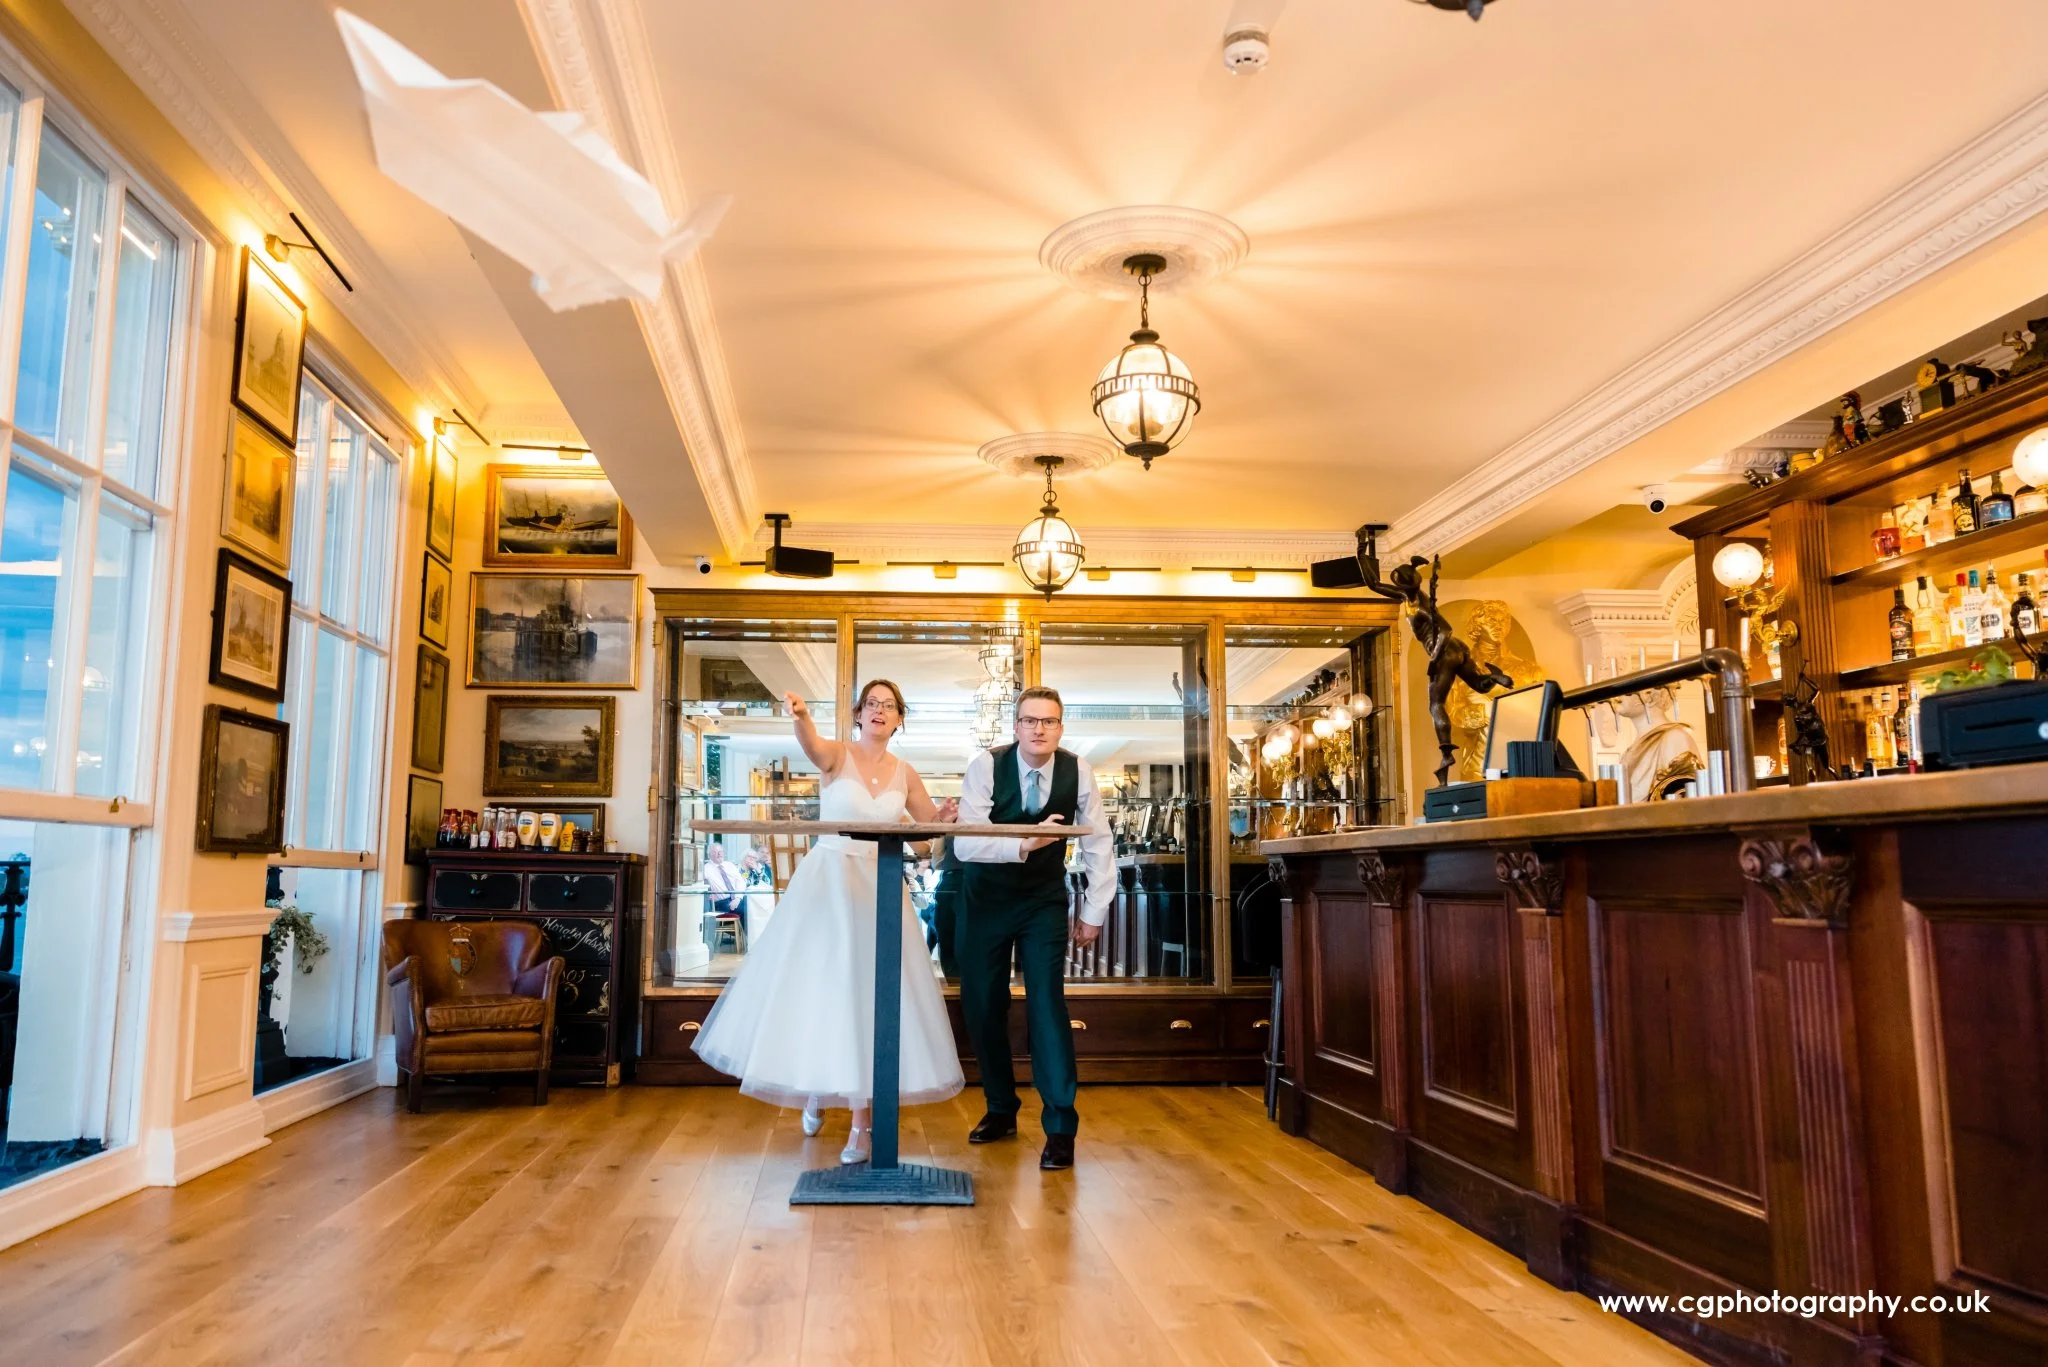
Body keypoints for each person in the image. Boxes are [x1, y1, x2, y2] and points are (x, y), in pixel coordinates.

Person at [691, 680, 963, 1164]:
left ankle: (862, 1126)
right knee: (826, 990)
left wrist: (941, 819)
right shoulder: (837, 756)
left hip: (879, 889)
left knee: (871, 997)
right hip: (830, 884)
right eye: (872, 704)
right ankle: (817, 1087)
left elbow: (924, 843)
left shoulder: (907, 773)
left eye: (890, 706)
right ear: (859, 714)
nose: (880, 711)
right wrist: (799, 715)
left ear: (900, 719)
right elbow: (811, 746)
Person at [953, 685, 1115, 1171]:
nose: (1039, 729)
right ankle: (1001, 1109)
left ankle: (1061, 1126)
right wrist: (1028, 842)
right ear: (1016, 725)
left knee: (1047, 1004)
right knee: (983, 1005)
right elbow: (966, 844)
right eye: (1030, 720)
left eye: (1049, 721)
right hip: (984, 901)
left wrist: (1094, 910)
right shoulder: (985, 766)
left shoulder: (1077, 769)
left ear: (1060, 727)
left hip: (1043, 902)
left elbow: (1099, 841)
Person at [701, 842, 748, 942]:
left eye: (721, 851)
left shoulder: (729, 865)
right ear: (710, 854)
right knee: (746, 909)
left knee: (751, 905)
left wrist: (738, 898)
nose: (720, 854)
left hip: (736, 898)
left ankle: (750, 939)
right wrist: (707, 895)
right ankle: (747, 940)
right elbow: (701, 885)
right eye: (716, 852)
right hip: (721, 903)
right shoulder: (706, 869)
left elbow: (741, 882)